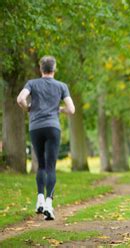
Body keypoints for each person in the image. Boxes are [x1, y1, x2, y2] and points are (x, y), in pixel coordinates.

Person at [17, 56, 75, 220]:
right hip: (53, 128)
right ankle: (49, 204)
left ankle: (39, 200)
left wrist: (28, 108)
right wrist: (60, 109)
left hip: (36, 127)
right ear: (54, 68)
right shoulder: (61, 86)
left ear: (40, 68)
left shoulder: (32, 83)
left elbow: (20, 98)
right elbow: (72, 110)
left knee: (41, 165)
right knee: (51, 166)